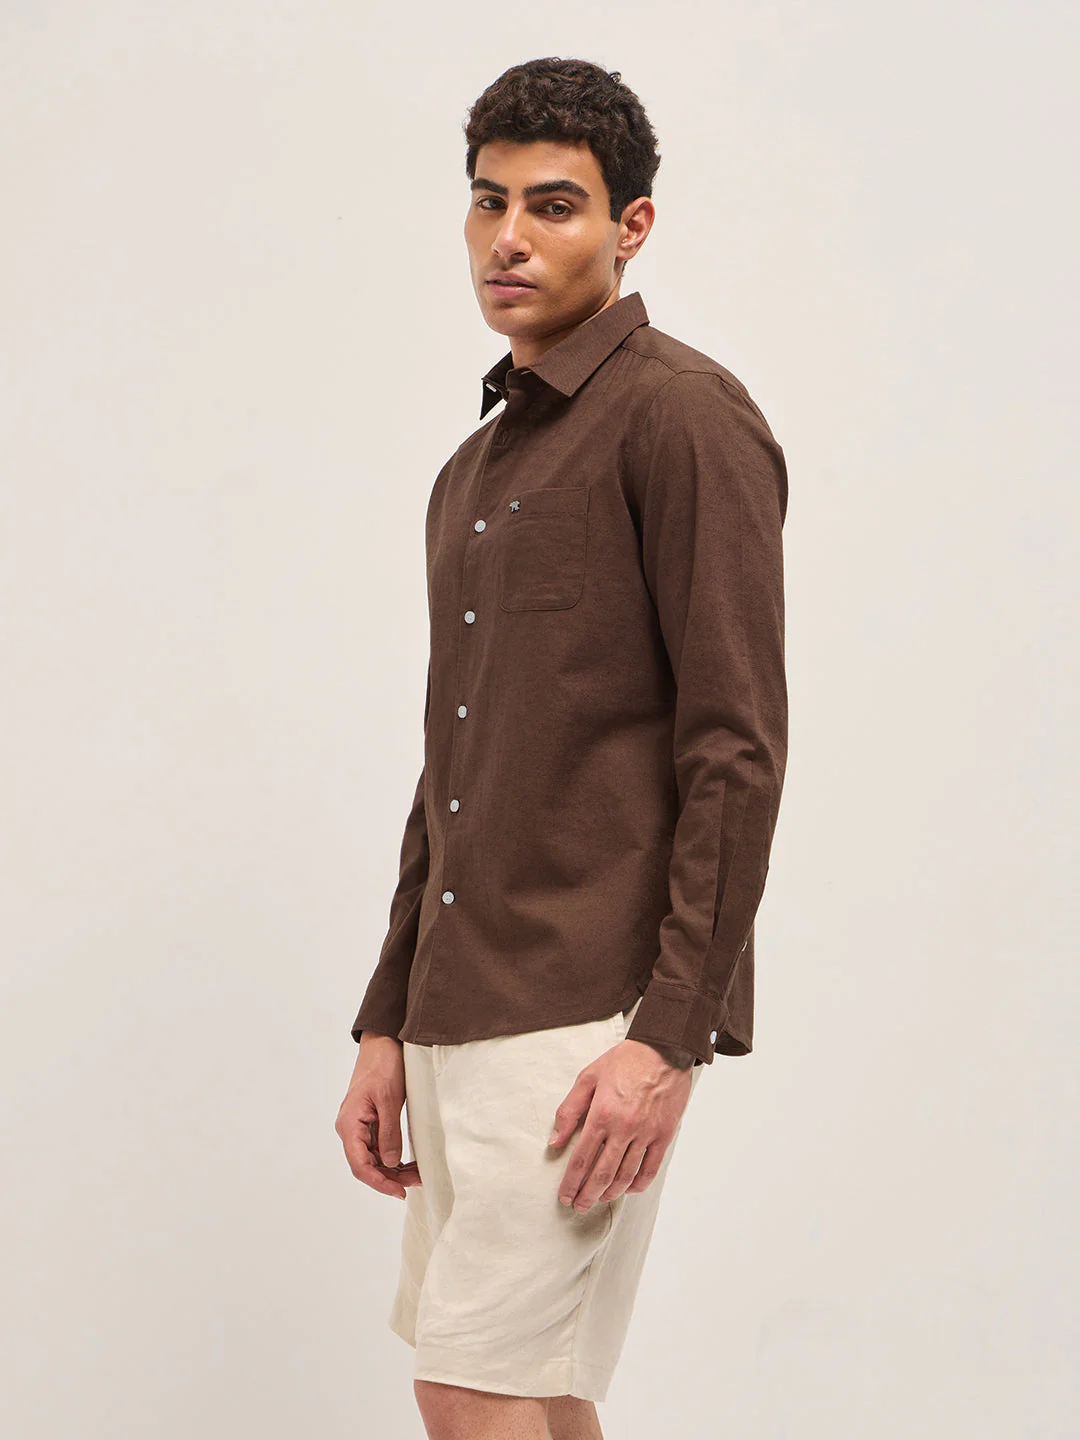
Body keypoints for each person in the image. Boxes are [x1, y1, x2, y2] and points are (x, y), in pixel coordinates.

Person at [335, 56, 789, 1440]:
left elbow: (736, 746)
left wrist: (670, 1037)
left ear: (631, 225)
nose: (511, 238)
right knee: (526, 1388)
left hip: (588, 1010)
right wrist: (387, 1015)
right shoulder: (472, 476)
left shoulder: (683, 415)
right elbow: (453, 765)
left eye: (553, 205)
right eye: (489, 202)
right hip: (457, 1003)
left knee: (470, 1387)